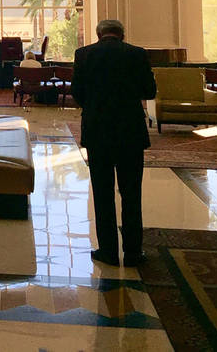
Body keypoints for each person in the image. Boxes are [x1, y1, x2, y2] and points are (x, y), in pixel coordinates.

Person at [71, 19, 157, 268]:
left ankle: (108, 251)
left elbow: (77, 93)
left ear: (99, 35)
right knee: (132, 193)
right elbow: (149, 91)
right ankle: (133, 252)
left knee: (102, 192)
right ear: (122, 34)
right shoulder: (137, 54)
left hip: (98, 131)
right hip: (130, 131)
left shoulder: (84, 54)